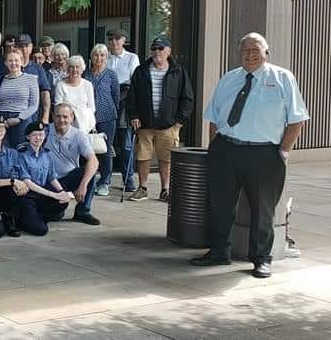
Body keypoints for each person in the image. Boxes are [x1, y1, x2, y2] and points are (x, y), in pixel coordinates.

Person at [191, 33, 309, 279]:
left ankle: (261, 259)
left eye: (256, 49)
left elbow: (297, 120)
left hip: (264, 154)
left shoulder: (282, 78)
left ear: (267, 52)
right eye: (245, 50)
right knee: (220, 205)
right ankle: (219, 251)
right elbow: (214, 116)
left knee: (263, 210)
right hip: (226, 150)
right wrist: (216, 146)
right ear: (239, 53)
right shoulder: (229, 79)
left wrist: (283, 151)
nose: (250, 54)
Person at [126, 36, 195, 202]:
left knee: (166, 159)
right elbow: (132, 96)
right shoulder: (141, 70)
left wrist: (179, 122)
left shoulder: (178, 71)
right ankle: (142, 188)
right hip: (145, 123)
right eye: (154, 48)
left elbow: (187, 98)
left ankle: (165, 190)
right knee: (143, 156)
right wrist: (134, 115)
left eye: (160, 48)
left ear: (169, 51)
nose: (157, 52)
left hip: (168, 125)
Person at [44, 103, 101, 225]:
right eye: (58, 116)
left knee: (88, 172)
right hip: (49, 180)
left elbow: (93, 160)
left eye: (65, 116)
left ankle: (83, 211)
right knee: (54, 216)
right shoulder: (44, 132)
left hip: (69, 177)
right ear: (52, 116)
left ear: (72, 117)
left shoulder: (79, 135)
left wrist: (83, 185)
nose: (62, 120)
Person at [14, 121, 74, 236]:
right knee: (41, 230)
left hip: (41, 194)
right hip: (27, 196)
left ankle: (34, 217)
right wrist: (53, 194)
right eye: (34, 135)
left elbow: (52, 177)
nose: (38, 138)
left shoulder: (47, 154)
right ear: (28, 137)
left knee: (62, 202)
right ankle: (22, 219)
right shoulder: (21, 154)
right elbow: (27, 182)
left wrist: (62, 192)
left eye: (41, 134)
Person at [106, 28, 141, 193]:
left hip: (125, 101)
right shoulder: (104, 57)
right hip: (107, 102)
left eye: (117, 39)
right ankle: (105, 179)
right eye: (111, 39)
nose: (114, 42)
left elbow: (134, 83)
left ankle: (128, 179)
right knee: (107, 143)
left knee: (126, 143)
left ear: (123, 40)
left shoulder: (132, 58)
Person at [84, 44, 121, 196]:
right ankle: (89, 181)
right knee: (87, 149)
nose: (99, 58)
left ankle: (105, 181)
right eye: (96, 55)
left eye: (102, 55)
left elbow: (116, 96)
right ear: (91, 57)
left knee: (105, 149)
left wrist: (111, 109)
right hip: (88, 117)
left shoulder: (111, 75)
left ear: (106, 58)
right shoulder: (85, 74)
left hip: (107, 117)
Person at [0, 49, 39, 147]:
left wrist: (19, 118)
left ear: (21, 62)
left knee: (20, 151)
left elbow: (34, 105)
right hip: (2, 120)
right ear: (6, 63)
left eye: (16, 60)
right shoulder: (0, 80)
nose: (13, 63)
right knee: (2, 151)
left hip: (21, 120)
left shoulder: (31, 79)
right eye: (10, 61)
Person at [54, 56, 96, 134]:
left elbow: (91, 108)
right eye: (71, 67)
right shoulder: (60, 85)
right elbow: (58, 106)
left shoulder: (88, 85)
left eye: (77, 67)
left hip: (85, 125)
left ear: (82, 69)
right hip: (66, 124)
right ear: (67, 69)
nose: (74, 70)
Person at [17, 34, 52, 124]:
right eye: (20, 46)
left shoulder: (38, 69)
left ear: (31, 47)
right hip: (13, 116)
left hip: (33, 117)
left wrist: (45, 116)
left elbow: (45, 94)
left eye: (26, 46)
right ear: (15, 48)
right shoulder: (9, 67)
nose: (24, 49)